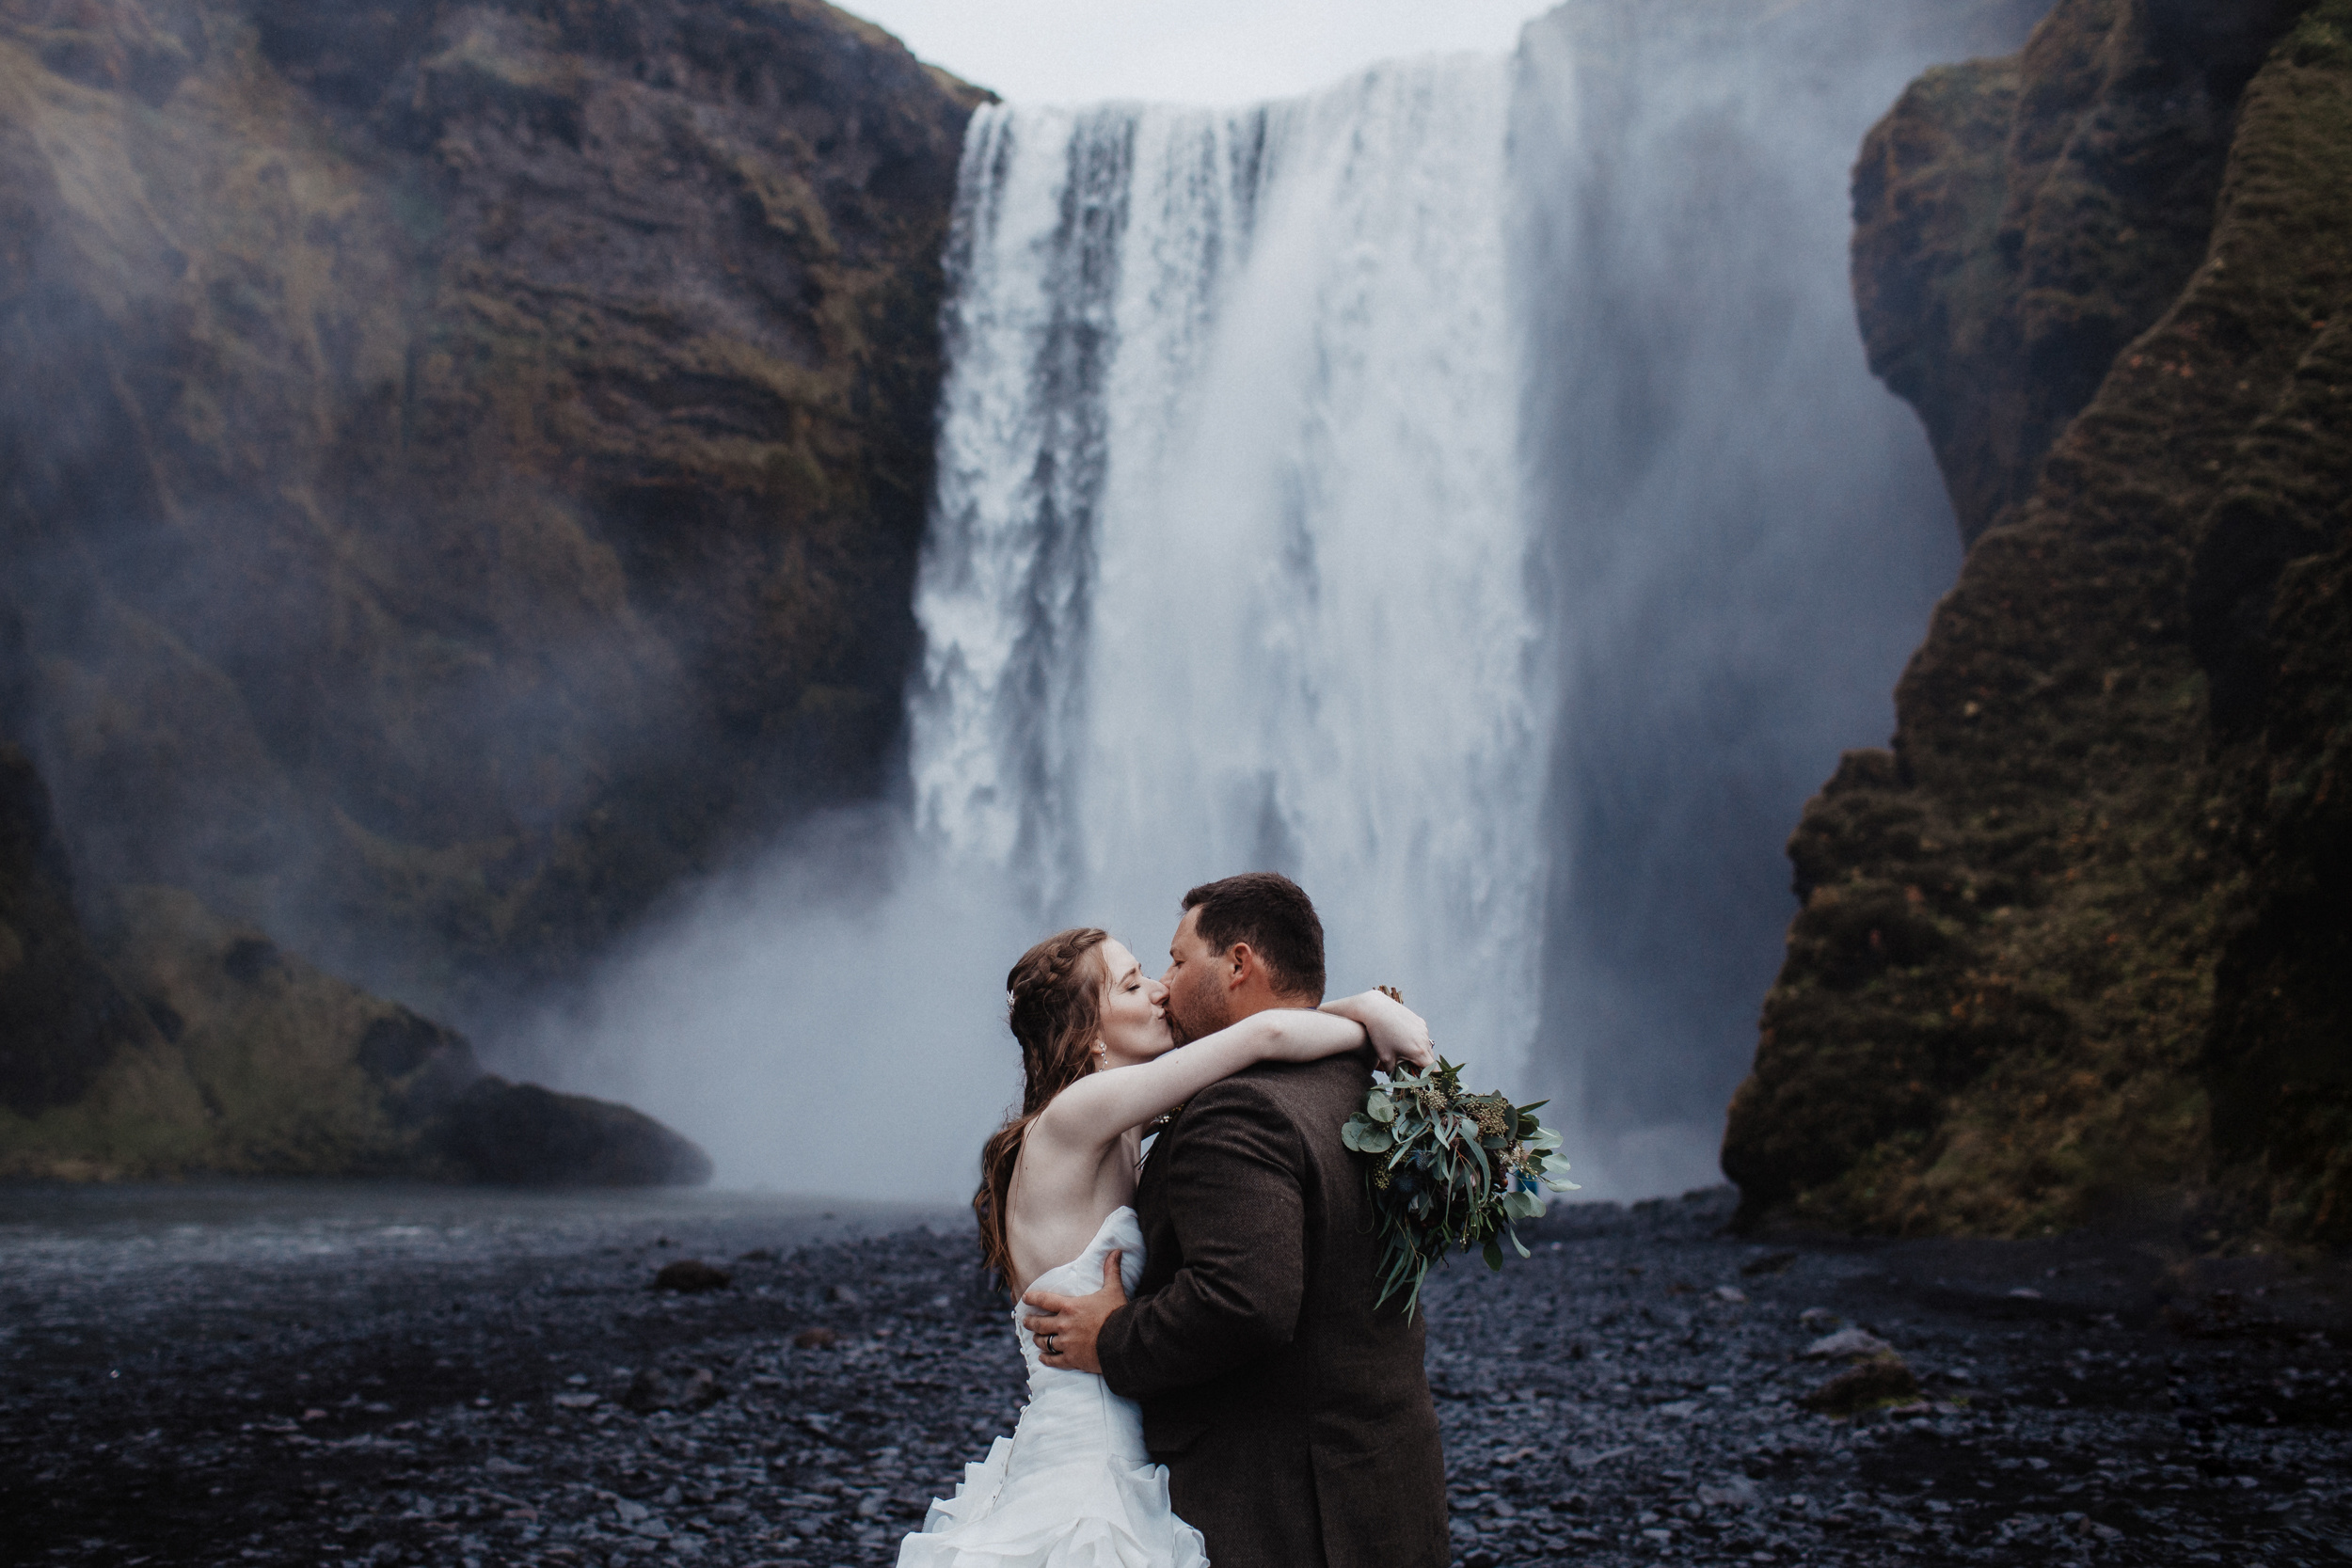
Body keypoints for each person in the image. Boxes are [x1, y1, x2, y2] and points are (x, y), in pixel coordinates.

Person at [898, 902, 1434, 1568]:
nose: (1159, 989)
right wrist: (1371, 1016)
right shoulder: (1075, 1114)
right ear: (1089, 1033)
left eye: (1155, 969)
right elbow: (1260, 1040)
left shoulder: (1122, 1125)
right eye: (1131, 983)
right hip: (1086, 1464)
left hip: (1123, 1451)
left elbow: (1239, 1052)